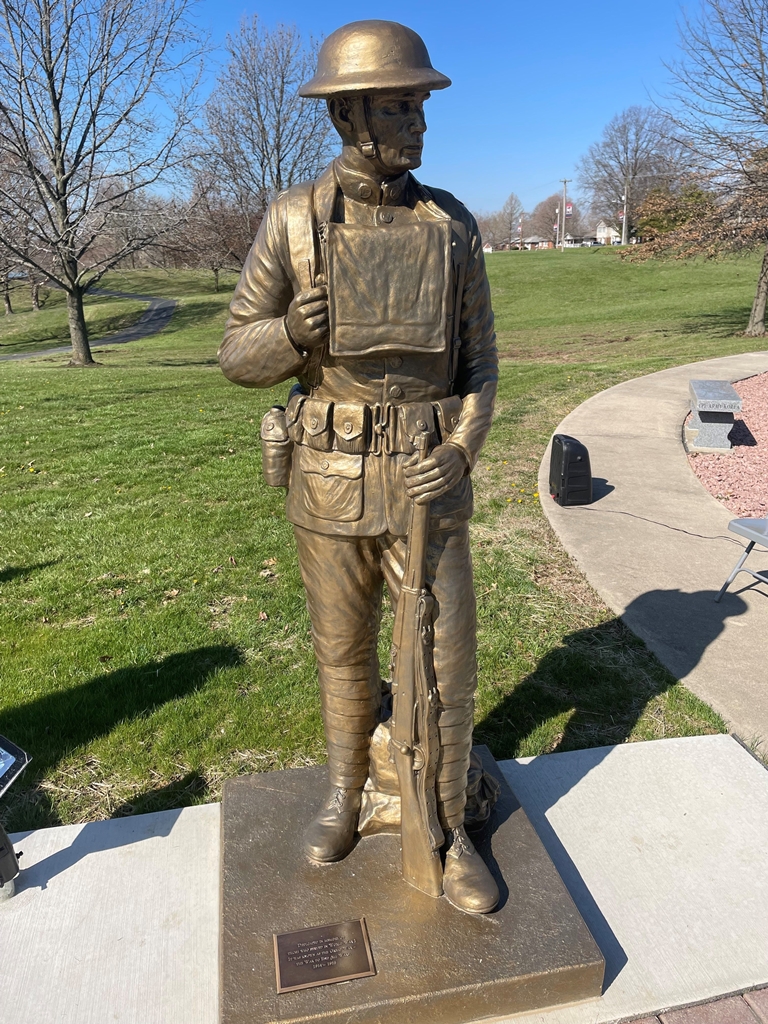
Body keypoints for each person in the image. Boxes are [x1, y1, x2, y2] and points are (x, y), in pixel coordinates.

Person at [219, 20, 499, 915]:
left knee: (446, 663)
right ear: (347, 116)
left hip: (427, 484)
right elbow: (235, 353)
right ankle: (345, 793)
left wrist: (459, 452)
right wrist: (292, 334)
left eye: (418, 103)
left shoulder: (451, 224)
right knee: (343, 654)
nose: (417, 121)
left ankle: (446, 826)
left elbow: (482, 369)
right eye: (396, 105)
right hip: (330, 477)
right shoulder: (291, 221)